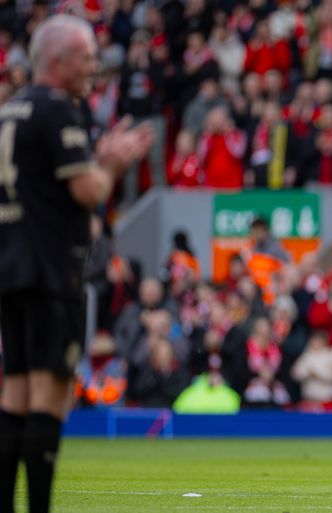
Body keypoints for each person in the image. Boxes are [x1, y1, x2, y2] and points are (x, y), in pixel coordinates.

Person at [0, 15, 153, 513]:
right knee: (49, 390)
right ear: (59, 60)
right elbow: (89, 190)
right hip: (49, 267)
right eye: (87, 56)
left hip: (11, 264)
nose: (95, 65)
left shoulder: (11, 108)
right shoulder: (56, 108)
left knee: (16, 390)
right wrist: (109, 164)